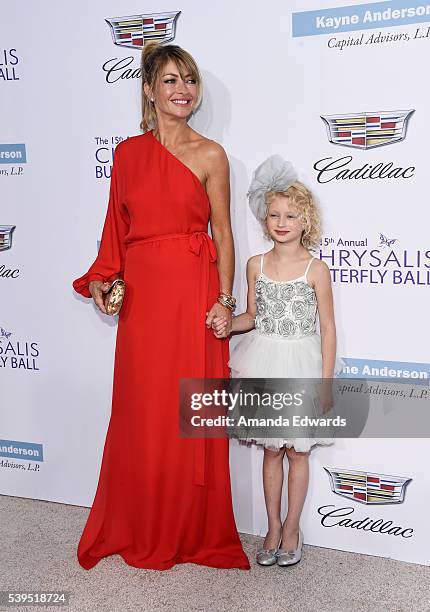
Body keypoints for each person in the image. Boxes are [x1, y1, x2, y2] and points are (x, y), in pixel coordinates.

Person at [72, 42, 249, 571]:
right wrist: (104, 278)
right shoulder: (126, 154)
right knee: (142, 408)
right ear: (149, 91)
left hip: (193, 294)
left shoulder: (211, 154)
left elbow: (225, 233)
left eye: (189, 80)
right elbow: (116, 230)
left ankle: (190, 526)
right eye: (169, 80)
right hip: (144, 300)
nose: (182, 90)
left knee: (187, 408)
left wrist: (224, 300)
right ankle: (140, 520)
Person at [211, 155, 342, 567]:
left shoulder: (316, 269)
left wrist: (324, 383)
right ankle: (270, 527)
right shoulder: (256, 265)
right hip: (263, 364)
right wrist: (226, 324)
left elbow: (328, 329)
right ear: (264, 220)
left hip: (301, 365)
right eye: (274, 215)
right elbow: (252, 316)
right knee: (271, 452)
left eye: (290, 215)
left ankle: (292, 528)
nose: (282, 222)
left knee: (298, 453)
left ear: (306, 221)